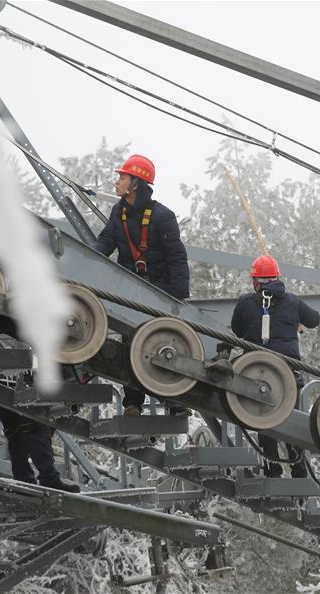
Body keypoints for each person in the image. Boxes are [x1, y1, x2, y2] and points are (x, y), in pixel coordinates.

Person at [93, 155, 191, 416]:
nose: (117, 182)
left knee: (163, 345)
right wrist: (85, 262)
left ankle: (174, 403)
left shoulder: (163, 216)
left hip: (161, 292)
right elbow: (104, 243)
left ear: (135, 183)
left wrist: (178, 298)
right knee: (131, 345)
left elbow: (177, 257)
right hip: (132, 291)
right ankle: (133, 403)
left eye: (122, 177)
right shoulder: (119, 213)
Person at [230, 254, 320, 478]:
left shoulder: (245, 303)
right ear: (277, 278)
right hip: (288, 375)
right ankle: (298, 471)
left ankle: (272, 469)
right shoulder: (292, 301)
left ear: (255, 282)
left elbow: (238, 330)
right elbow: (315, 319)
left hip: (257, 373)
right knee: (291, 420)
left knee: (264, 420)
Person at [0, 366, 81, 492]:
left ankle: (24, 481)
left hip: (5, 384)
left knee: (17, 434)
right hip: (18, 384)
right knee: (36, 428)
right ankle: (47, 478)